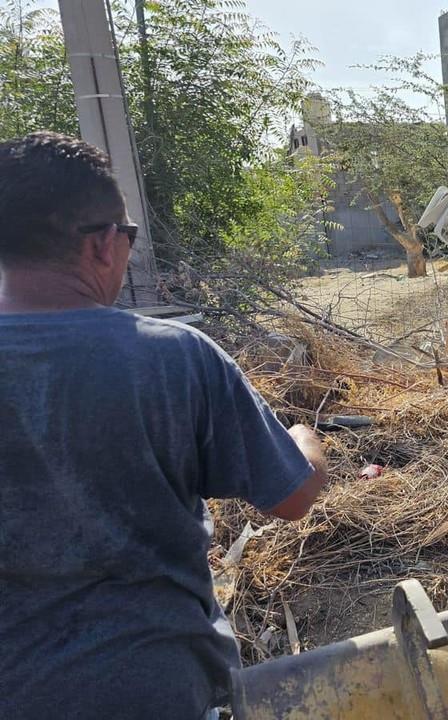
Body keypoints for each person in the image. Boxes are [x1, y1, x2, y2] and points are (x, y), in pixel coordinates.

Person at [0, 132, 329, 718]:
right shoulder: (172, 357)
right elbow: (294, 495)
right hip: (155, 687)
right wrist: (307, 442)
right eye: (128, 236)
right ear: (103, 244)